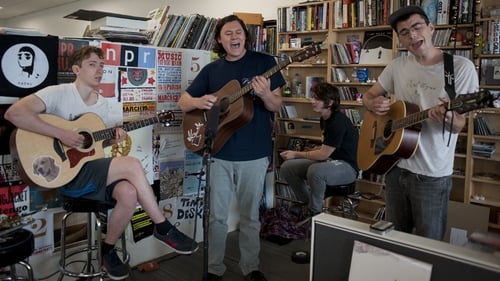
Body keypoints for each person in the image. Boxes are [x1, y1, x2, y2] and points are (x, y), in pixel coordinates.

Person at [5, 46, 198, 280]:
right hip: (66, 178)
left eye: (102, 65)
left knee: (128, 192)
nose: (99, 70)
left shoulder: (103, 105)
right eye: (92, 64)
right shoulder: (58, 93)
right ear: (76, 69)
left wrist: (113, 137)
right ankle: (163, 226)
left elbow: (92, 148)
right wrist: (62, 134)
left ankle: (107, 250)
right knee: (133, 165)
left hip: (89, 173)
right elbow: (14, 114)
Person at [177, 15, 285, 281]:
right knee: (216, 218)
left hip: (254, 154)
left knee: (250, 217)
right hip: (218, 153)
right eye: (228, 33)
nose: (234, 37)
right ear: (219, 40)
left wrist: (264, 94)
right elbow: (183, 102)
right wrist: (199, 101)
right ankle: (214, 269)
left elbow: (276, 106)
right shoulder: (212, 71)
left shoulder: (265, 63)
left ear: (245, 37)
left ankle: (251, 267)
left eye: (238, 32)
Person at [362, 6, 479, 240]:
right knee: (395, 238)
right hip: (395, 165)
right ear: (400, 39)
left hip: (432, 174)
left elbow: (458, 125)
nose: (412, 35)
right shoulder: (397, 66)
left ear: (431, 28)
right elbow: (368, 96)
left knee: (428, 244)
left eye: (417, 27)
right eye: (404, 32)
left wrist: (448, 117)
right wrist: (373, 104)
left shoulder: (459, 68)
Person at [280, 82, 359, 216]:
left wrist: (296, 153)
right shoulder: (324, 118)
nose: (313, 101)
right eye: (313, 97)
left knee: (316, 171)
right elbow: (326, 148)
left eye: (317, 99)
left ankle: (315, 213)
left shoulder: (337, 122)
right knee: (287, 168)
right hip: (330, 161)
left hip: (347, 167)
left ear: (329, 102)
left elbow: (323, 154)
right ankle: (306, 203)